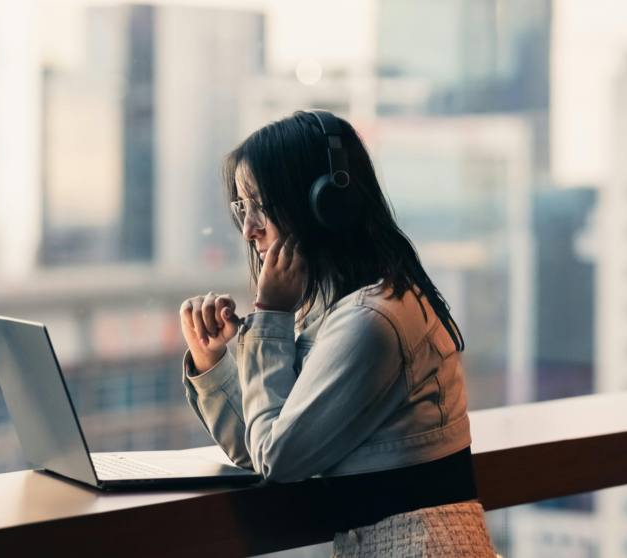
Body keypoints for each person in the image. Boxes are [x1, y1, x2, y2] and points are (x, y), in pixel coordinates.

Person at [179, 110, 497, 557]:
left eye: (260, 206)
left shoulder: (373, 321)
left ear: (326, 202)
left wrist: (271, 315)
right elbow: (264, 444)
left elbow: (276, 458)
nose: (248, 230)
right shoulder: (334, 312)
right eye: (241, 208)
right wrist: (211, 360)